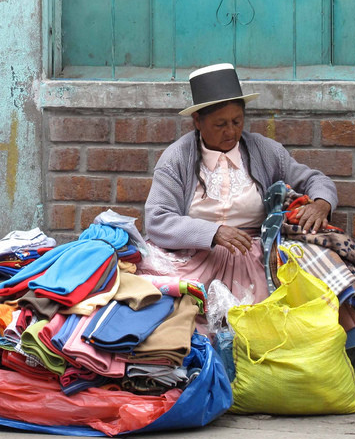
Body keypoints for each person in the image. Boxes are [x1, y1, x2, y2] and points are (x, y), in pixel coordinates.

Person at [143, 63, 338, 306]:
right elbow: (156, 219)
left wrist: (322, 203)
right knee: (171, 309)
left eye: (237, 121)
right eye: (220, 124)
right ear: (197, 121)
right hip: (195, 259)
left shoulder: (265, 151)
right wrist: (213, 233)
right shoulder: (176, 159)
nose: (231, 131)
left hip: (254, 257)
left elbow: (315, 179)